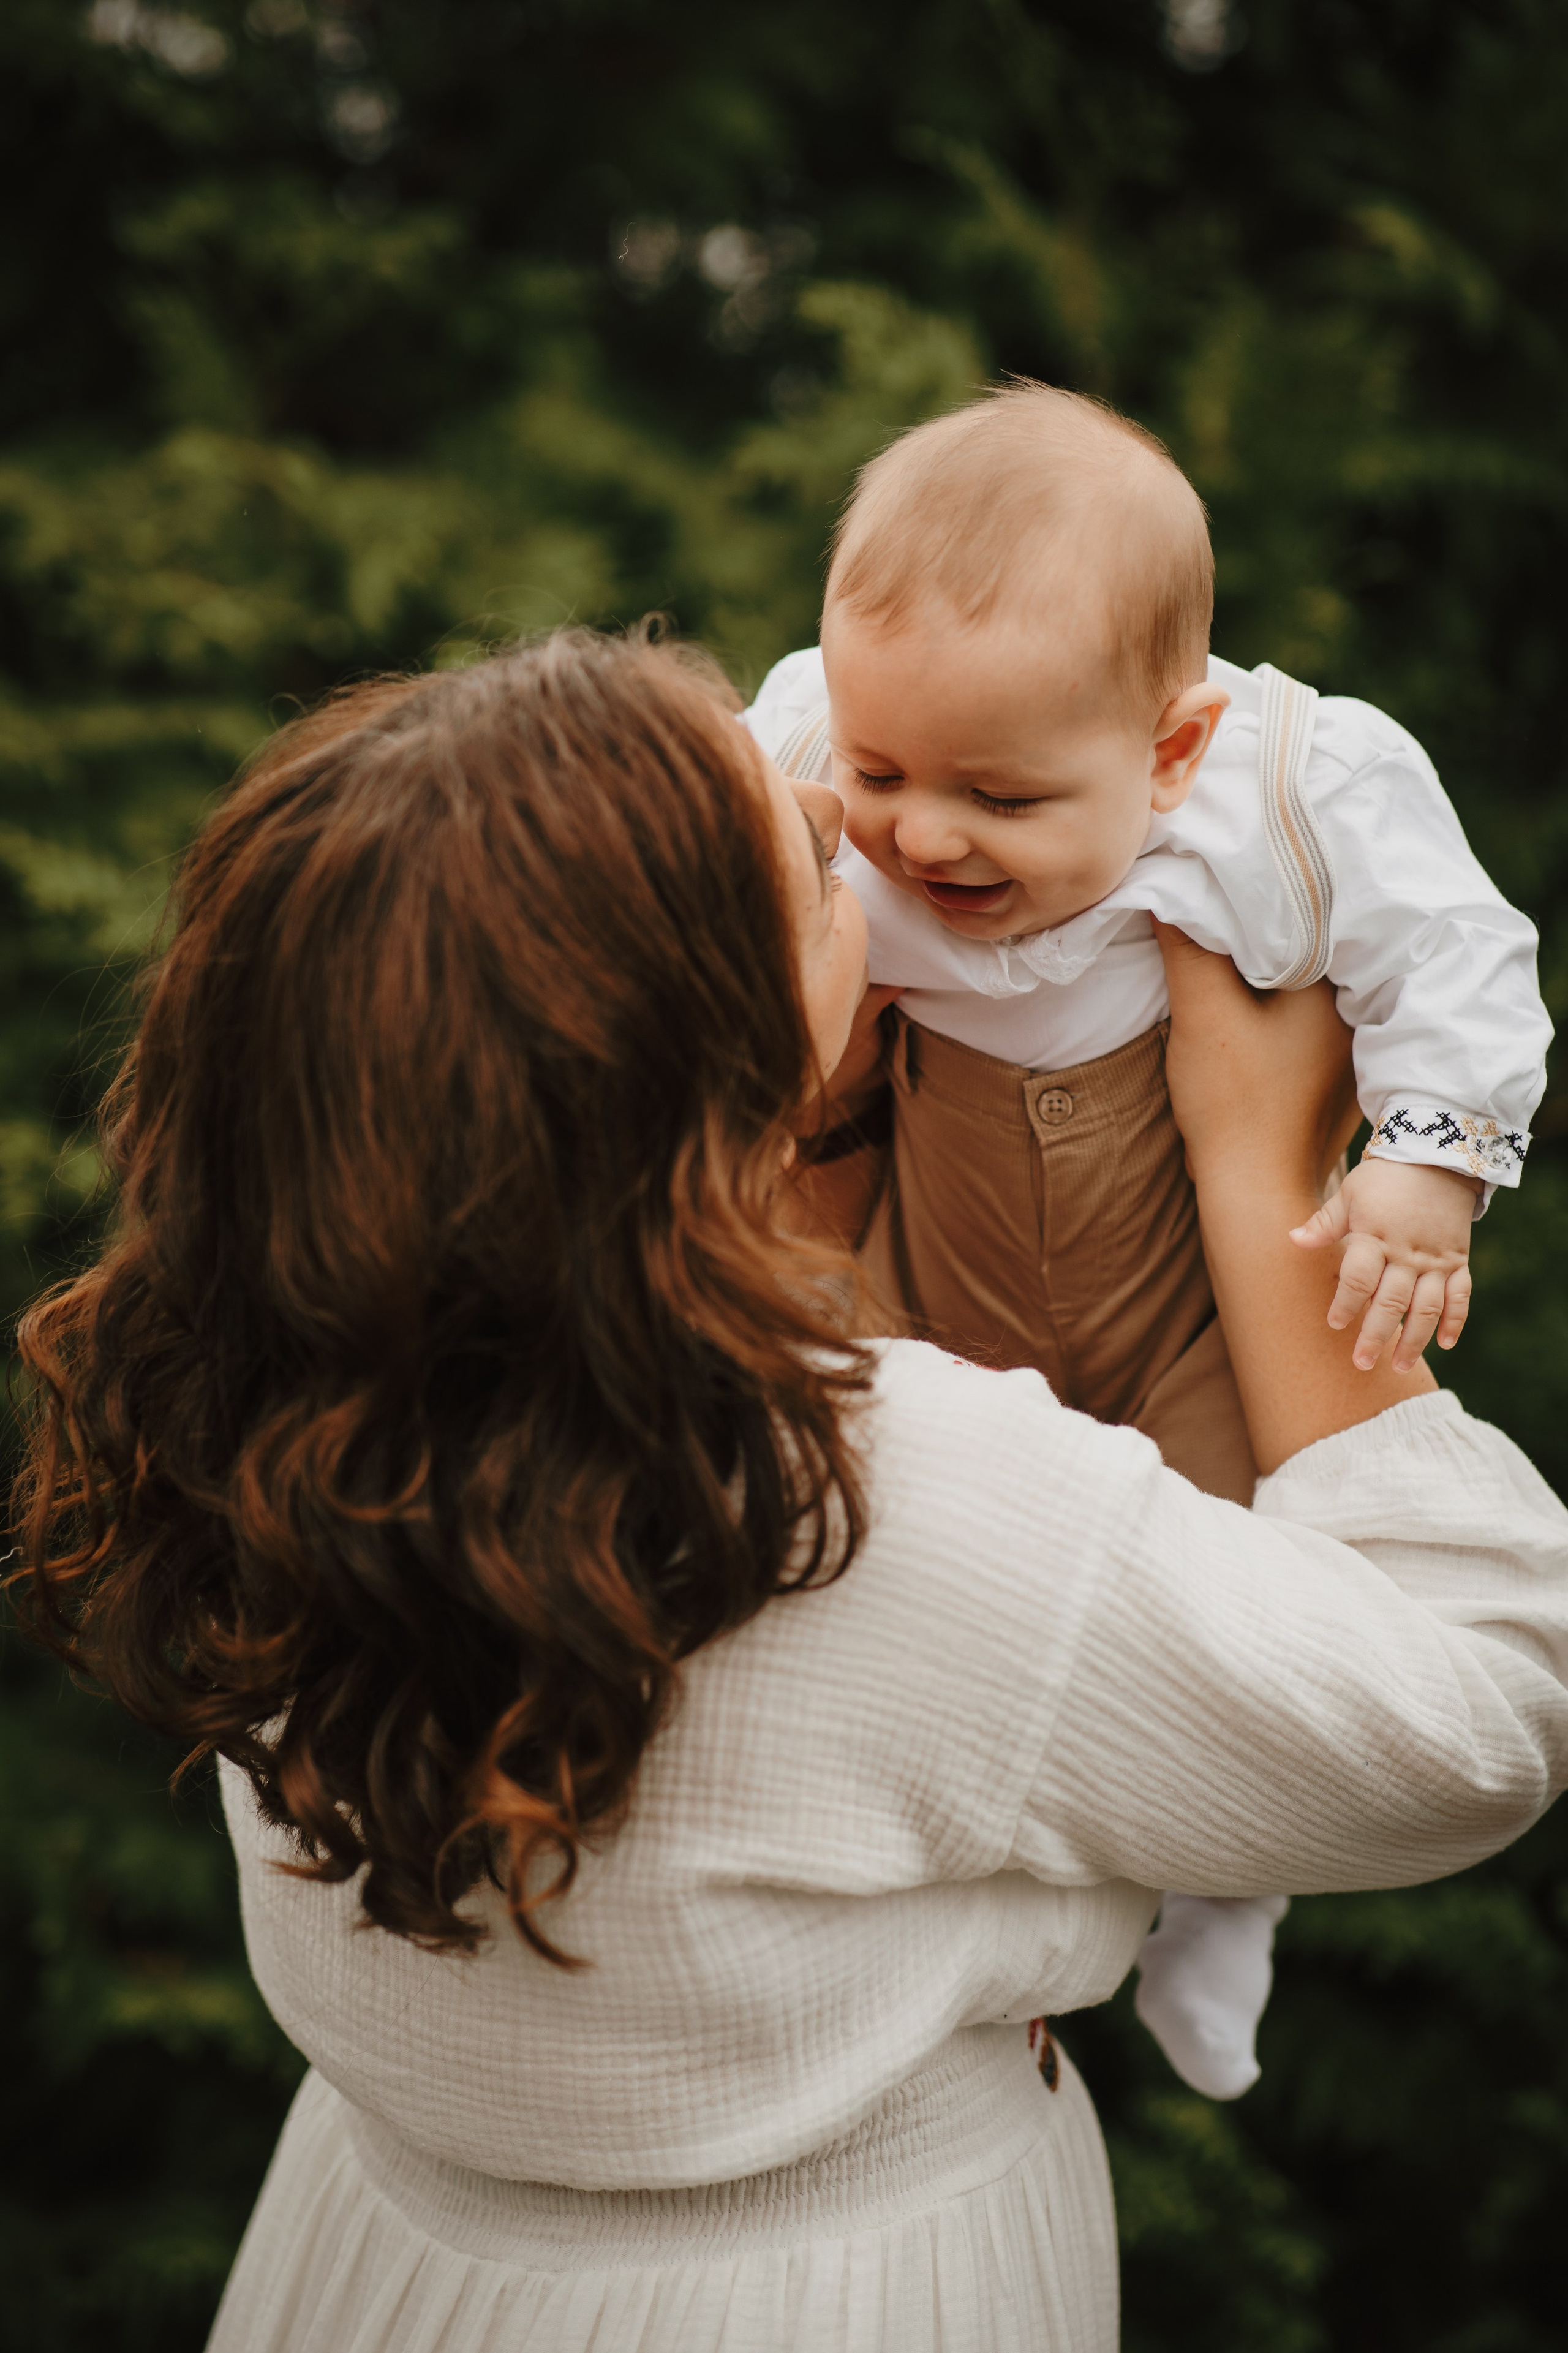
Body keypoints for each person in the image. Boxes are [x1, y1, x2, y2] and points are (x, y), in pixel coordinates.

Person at [13, 630, 1568, 2353]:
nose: (861, 820)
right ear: (694, 1062)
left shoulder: (253, 1390)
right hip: (833, 2294)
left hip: (376, 2262)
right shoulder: (896, 1490)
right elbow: (1485, 1708)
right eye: (818, 857)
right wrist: (1262, 1168)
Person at [745, 380, 1551, 2098]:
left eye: (1002, 797)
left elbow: (1457, 957)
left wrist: (1424, 1164)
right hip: (924, 1254)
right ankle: (983, 1896)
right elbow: (716, 862)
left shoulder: (1282, 777)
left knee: (1242, 1578)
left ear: (1168, 745)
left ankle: (1218, 1908)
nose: (921, 832)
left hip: (1181, 1287)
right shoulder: (815, 734)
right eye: (883, 772)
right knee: (890, 1560)